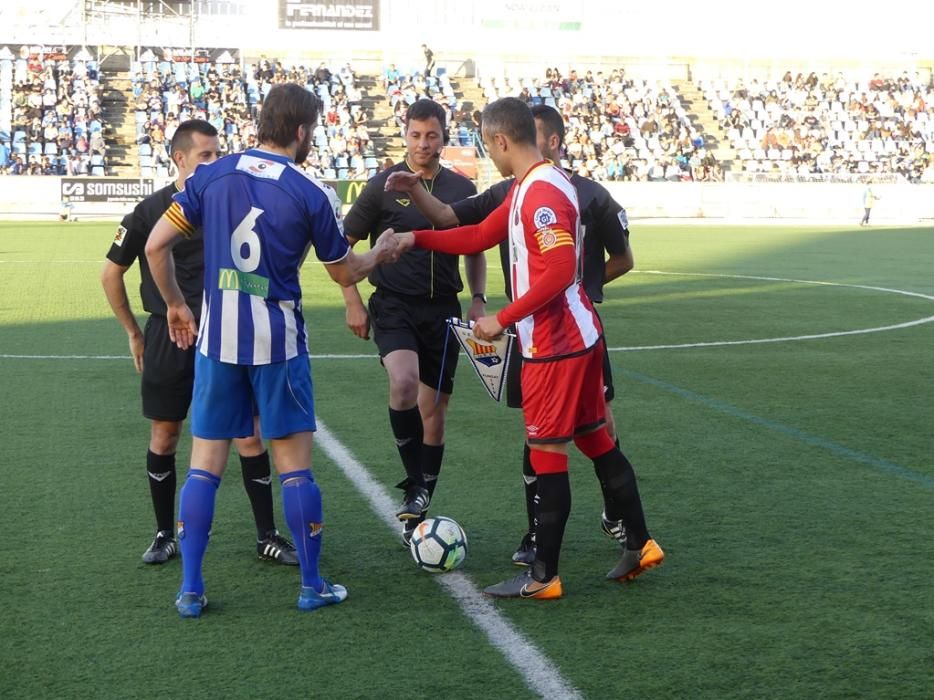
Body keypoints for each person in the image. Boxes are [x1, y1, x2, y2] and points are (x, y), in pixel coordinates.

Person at [144, 84, 399, 617]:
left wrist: (174, 304)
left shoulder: (211, 175)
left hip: (216, 343)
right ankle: (311, 585)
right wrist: (383, 251)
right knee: (295, 468)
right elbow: (343, 271)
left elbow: (155, 246)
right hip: (277, 345)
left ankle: (191, 589)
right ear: (302, 131)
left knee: (204, 466)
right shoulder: (309, 191)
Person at [393, 97, 662, 599]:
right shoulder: (532, 186)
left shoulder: (538, 194)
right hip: (579, 338)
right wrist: (418, 241)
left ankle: (543, 575)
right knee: (596, 440)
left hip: (555, 346)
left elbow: (560, 272)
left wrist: (502, 318)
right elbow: (475, 232)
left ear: (500, 140)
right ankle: (641, 542)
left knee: (545, 451)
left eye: (486, 145)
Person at [101, 119, 298, 568]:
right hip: (168, 339)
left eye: (217, 154)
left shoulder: (227, 203)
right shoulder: (149, 210)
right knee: (166, 435)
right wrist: (134, 332)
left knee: (249, 433)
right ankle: (164, 533)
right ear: (179, 159)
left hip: (224, 332)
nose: (214, 162)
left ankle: (267, 535)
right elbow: (111, 273)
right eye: (204, 155)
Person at [340, 99, 485, 546]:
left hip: (443, 308)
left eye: (433, 135)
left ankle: (415, 513)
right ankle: (414, 482)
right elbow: (339, 243)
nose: (424, 143)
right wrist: (352, 300)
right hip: (394, 305)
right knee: (403, 384)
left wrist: (478, 298)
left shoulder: (461, 189)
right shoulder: (382, 184)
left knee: (434, 416)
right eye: (416, 135)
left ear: (445, 136)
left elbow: (475, 246)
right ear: (405, 134)